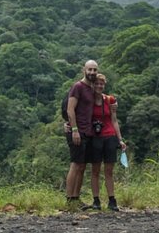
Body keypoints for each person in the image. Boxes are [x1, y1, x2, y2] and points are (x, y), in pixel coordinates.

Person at [87, 73, 127, 211]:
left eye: (101, 84)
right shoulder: (88, 100)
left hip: (109, 136)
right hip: (95, 137)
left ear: (104, 85)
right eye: (96, 83)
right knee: (95, 170)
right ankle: (96, 200)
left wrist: (120, 139)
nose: (99, 86)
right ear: (93, 85)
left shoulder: (110, 100)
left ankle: (112, 200)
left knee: (109, 170)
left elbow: (114, 120)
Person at [65, 60, 98, 208]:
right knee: (75, 164)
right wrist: (74, 129)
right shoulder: (77, 87)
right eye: (89, 69)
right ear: (83, 70)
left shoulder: (91, 88)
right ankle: (69, 200)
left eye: (94, 70)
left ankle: (76, 198)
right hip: (77, 131)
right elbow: (70, 109)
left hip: (88, 132)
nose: (92, 72)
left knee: (82, 166)